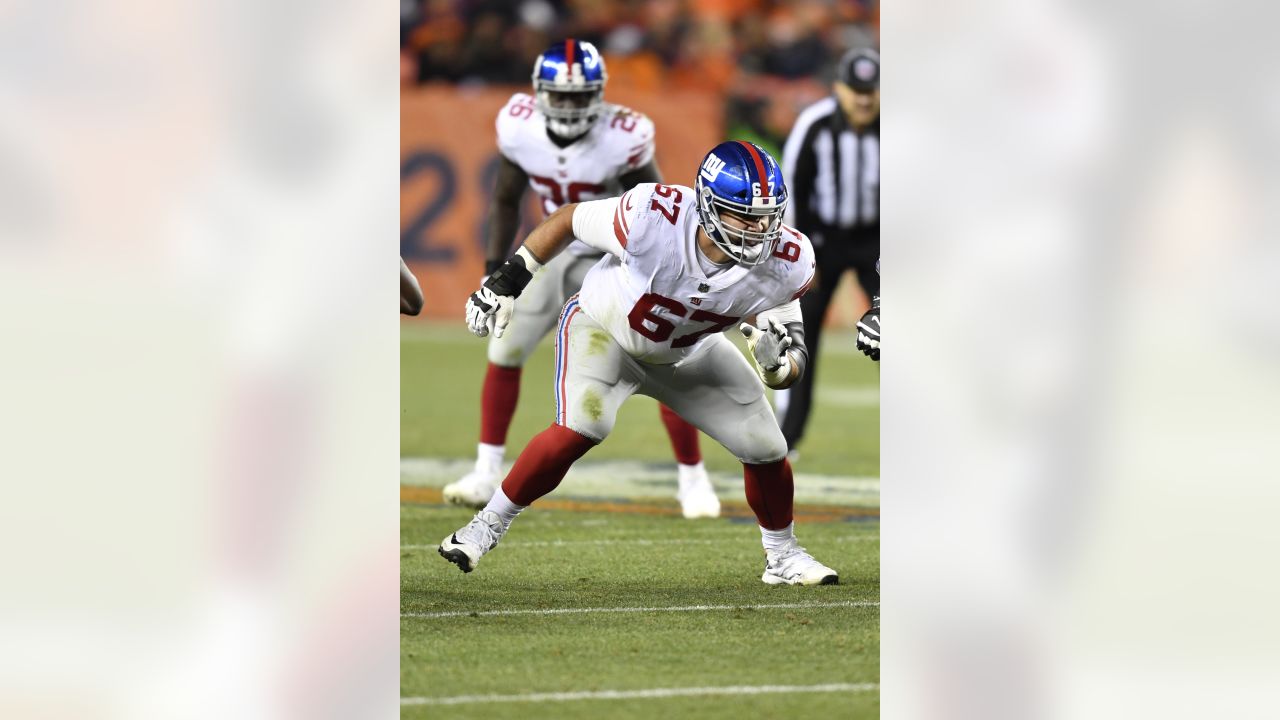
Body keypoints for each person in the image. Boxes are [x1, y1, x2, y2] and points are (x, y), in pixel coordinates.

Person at [440, 140, 839, 586]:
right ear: (708, 205)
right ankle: (486, 525)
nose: (759, 228)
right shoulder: (653, 216)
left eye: (767, 216)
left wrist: (776, 369)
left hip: (689, 351)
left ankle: (782, 557)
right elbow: (569, 218)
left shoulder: (788, 260)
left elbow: (793, 360)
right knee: (584, 427)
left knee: (767, 447)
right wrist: (507, 281)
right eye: (744, 215)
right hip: (604, 330)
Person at [443, 39, 719, 519]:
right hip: (549, 253)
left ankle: (692, 479)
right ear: (540, 92)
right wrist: (495, 270)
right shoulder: (519, 125)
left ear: (599, 93)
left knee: (662, 359)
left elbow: (655, 209)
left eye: (579, 95)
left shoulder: (624, 134)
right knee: (504, 350)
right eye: (560, 95)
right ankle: (486, 470)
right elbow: (506, 199)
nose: (569, 105)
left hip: (613, 260)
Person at [774, 47, 881, 456]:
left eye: (871, 90)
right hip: (822, 240)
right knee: (800, 333)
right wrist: (799, 254)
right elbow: (792, 188)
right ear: (839, 89)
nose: (865, 99)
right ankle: (787, 435)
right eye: (856, 90)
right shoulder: (815, 125)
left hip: (876, 240)